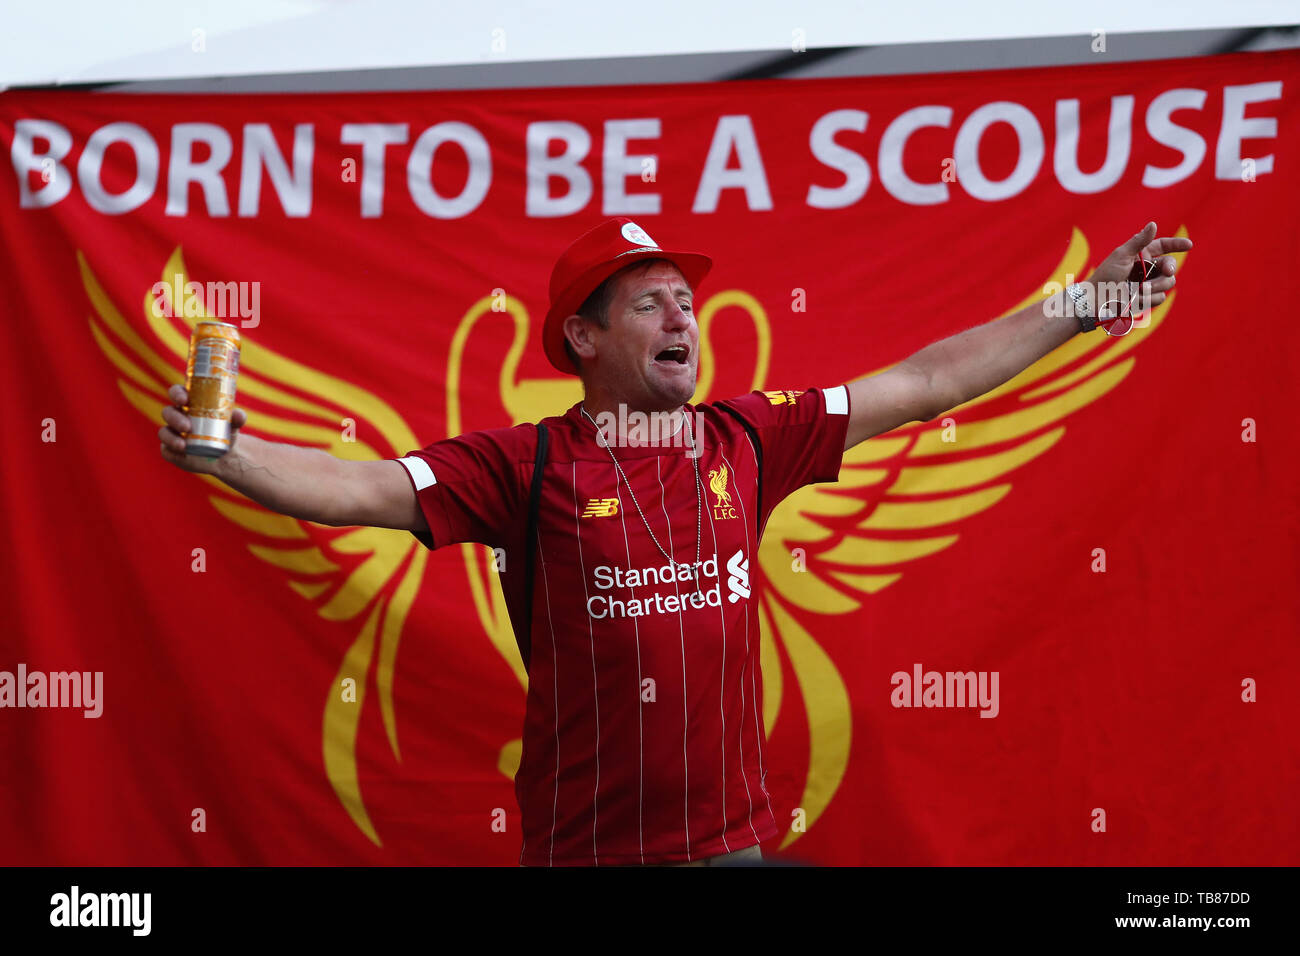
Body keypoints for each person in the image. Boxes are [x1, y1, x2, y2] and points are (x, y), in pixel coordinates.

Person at [158, 216, 1189, 866]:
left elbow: (931, 380)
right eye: (649, 301)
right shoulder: (526, 464)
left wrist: (1089, 302)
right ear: (581, 339)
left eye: (687, 301)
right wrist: (233, 456)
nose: (681, 316)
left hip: (733, 846)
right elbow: (362, 482)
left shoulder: (747, 438)